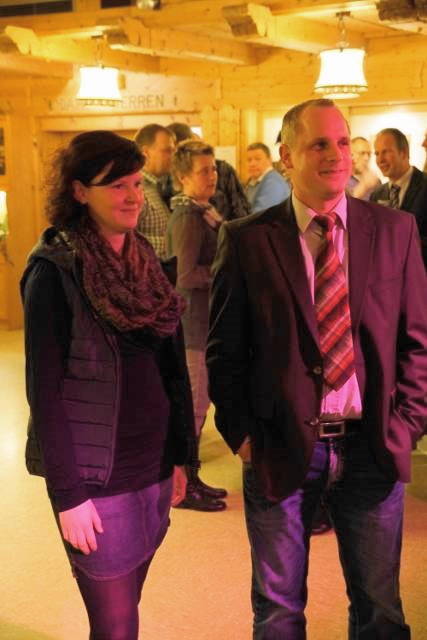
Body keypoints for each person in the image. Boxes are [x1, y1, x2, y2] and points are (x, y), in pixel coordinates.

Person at [207, 98, 427, 639]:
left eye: (343, 142)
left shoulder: (395, 230)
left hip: (372, 443)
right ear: (287, 156)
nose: (336, 154)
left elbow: (417, 342)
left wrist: (406, 425)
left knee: (380, 609)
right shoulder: (247, 238)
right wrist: (241, 435)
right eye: (319, 144)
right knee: (278, 612)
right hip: (279, 445)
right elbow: (225, 350)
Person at [21, 131, 196, 640]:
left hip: (153, 465)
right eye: (116, 185)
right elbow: (44, 394)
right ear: (79, 191)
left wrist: (181, 455)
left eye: (137, 183)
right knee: (115, 624)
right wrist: (68, 495)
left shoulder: (146, 262)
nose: (133, 196)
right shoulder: (55, 272)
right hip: (96, 477)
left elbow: (172, 371)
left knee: (130, 604)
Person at [166, 139, 227, 511]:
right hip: (194, 326)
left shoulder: (203, 211)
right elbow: (185, 275)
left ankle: (193, 477)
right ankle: (183, 487)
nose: (212, 176)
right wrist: (226, 271)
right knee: (193, 409)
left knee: (197, 407)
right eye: (204, 170)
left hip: (204, 324)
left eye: (214, 168)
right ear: (183, 177)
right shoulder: (188, 217)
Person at [167, 122, 250, 220]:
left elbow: (242, 212)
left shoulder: (223, 169)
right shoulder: (166, 178)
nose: (212, 177)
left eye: (213, 170)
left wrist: (221, 224)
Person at [370, 127, 427, 266]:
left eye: (386, 152)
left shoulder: (424, 185)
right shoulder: (377, 194)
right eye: (377, 153)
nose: (380, 159)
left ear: (404, 153)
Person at [135, 123, 176, 259]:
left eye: (173, 151)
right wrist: (177, 244)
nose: (173, 156)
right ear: (145, 153)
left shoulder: (159, 185)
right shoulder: (136, 189)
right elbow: (126, 242)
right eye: (167, 151)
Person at [245, 142, 290, 213]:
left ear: (269, 160)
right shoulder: (254, 181)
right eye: (249, 160)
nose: (252, 164)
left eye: (257, 159)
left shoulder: (273, 183)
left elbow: (260, 216)